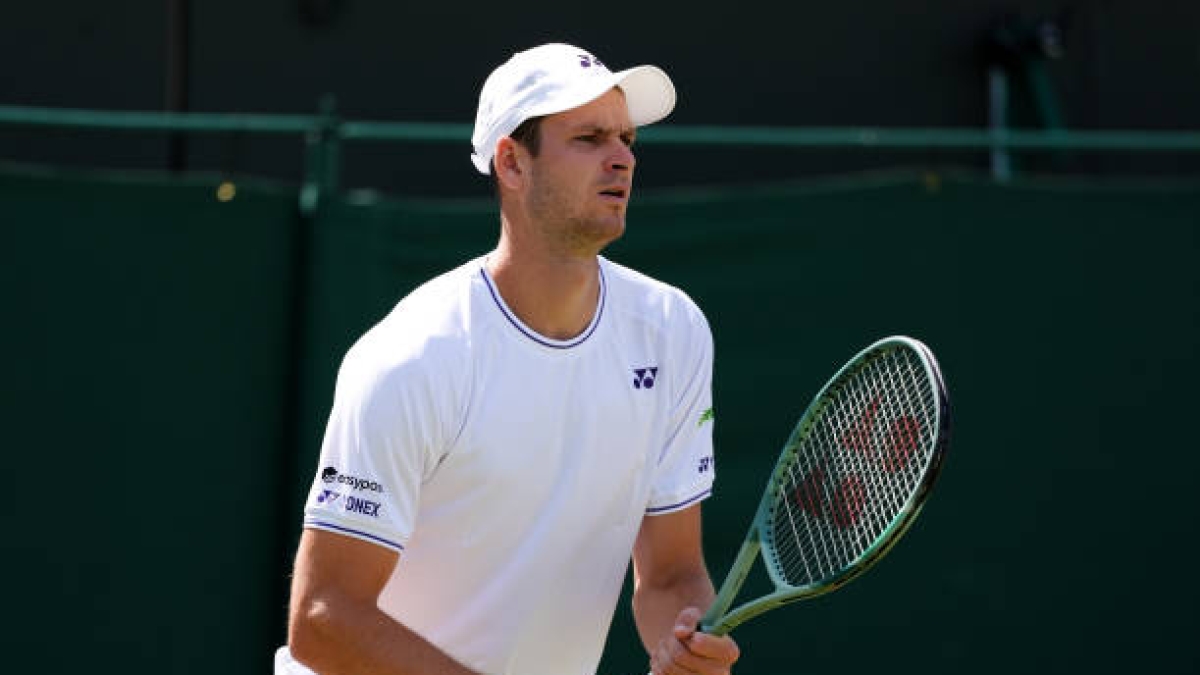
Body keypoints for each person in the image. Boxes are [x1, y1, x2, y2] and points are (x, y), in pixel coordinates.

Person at [276, 43, 740, 675]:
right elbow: (323, 617)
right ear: (513, 163)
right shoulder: (414, 356)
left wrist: (686, 643)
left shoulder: (672, 332)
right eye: (589, 137)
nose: (623, 158)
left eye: (628, 138)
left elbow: (671, 575)